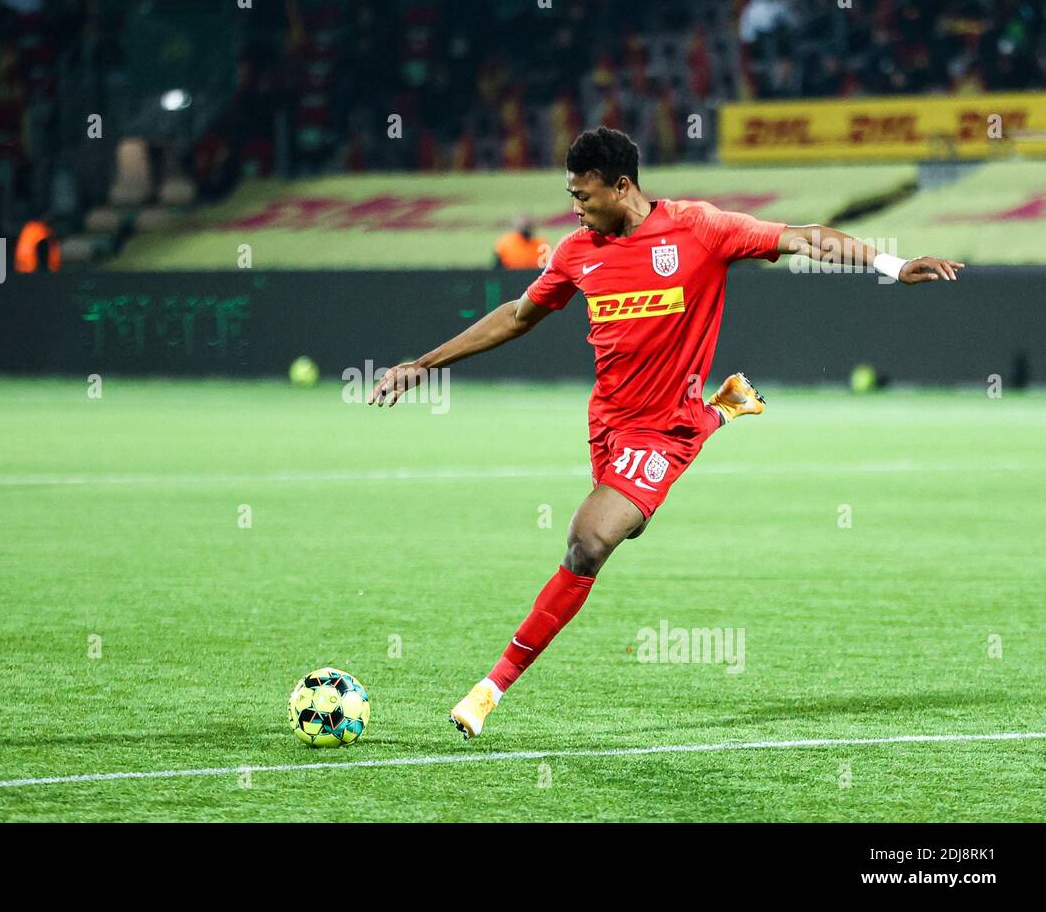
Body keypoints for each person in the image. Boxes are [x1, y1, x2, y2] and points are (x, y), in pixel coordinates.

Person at [368, 127, 963, 738]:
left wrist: (890, 262)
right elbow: (518, 316)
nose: (575, 207)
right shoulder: (577, 251)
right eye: (571, 194)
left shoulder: (698, 228)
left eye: (584, 194)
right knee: (603, 534)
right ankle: (720, 411)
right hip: (607, 428)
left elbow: (804, 239)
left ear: (622, 185)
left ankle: (489, 690)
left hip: (662, 432)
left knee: (589, 540)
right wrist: (422, 364)